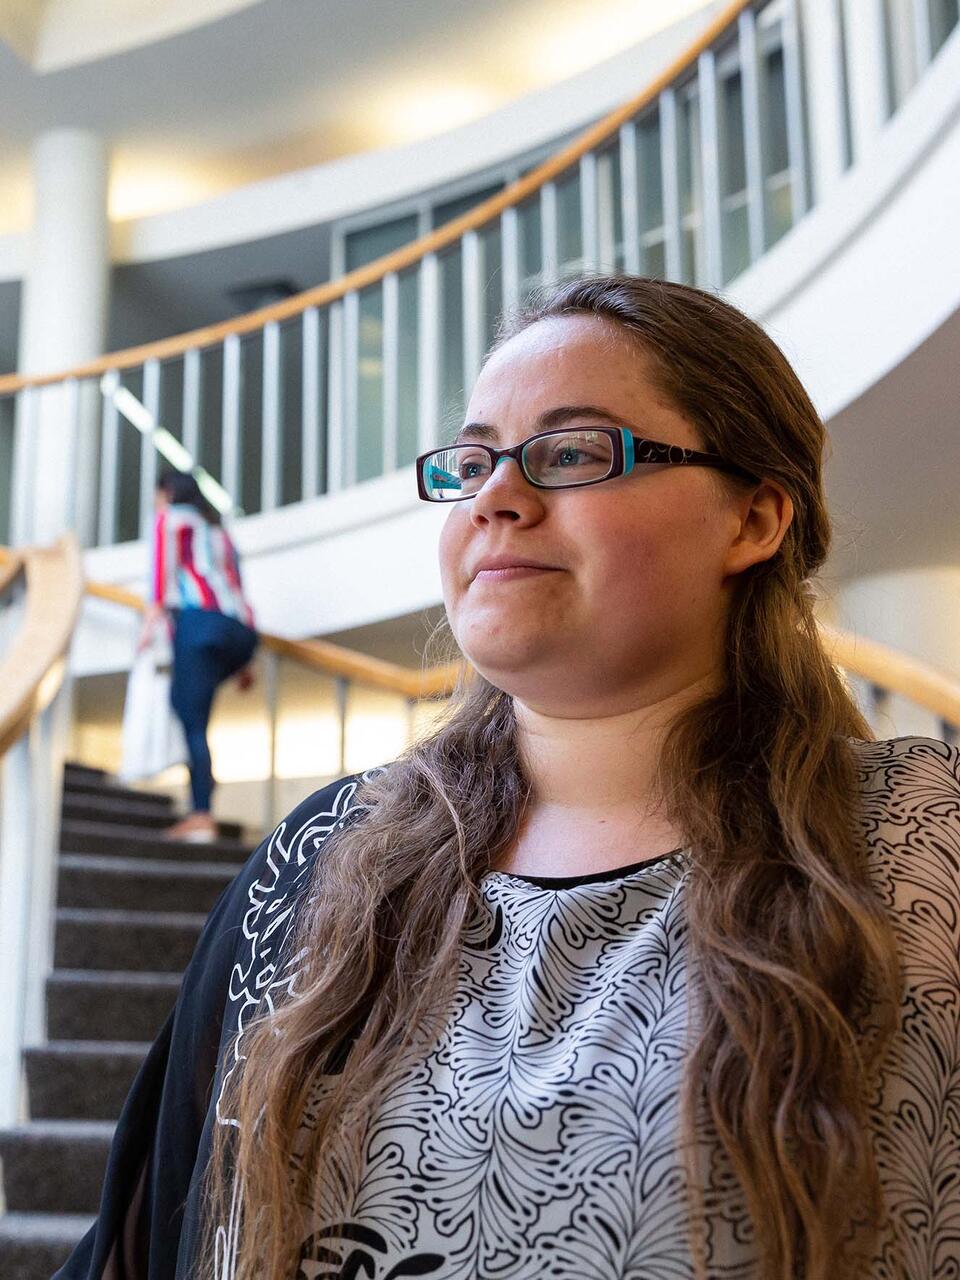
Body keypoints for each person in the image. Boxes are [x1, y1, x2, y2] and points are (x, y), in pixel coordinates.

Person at [56, 276, 959, 1280]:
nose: (496, 496)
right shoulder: (316, 861)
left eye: (572, 452)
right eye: (474, 460)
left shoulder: (927, 841)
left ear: (754, 518)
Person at [139, 468, 259, 842]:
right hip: (240, 633)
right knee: (194, 705)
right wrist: (248, 662)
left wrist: (150, 621)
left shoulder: (170, 520)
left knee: (188, 712)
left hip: (200, 626)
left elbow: (160, 576)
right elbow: (238, 586)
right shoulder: (220, 530)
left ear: (167, 492)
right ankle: (204, 783)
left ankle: (201, 812)